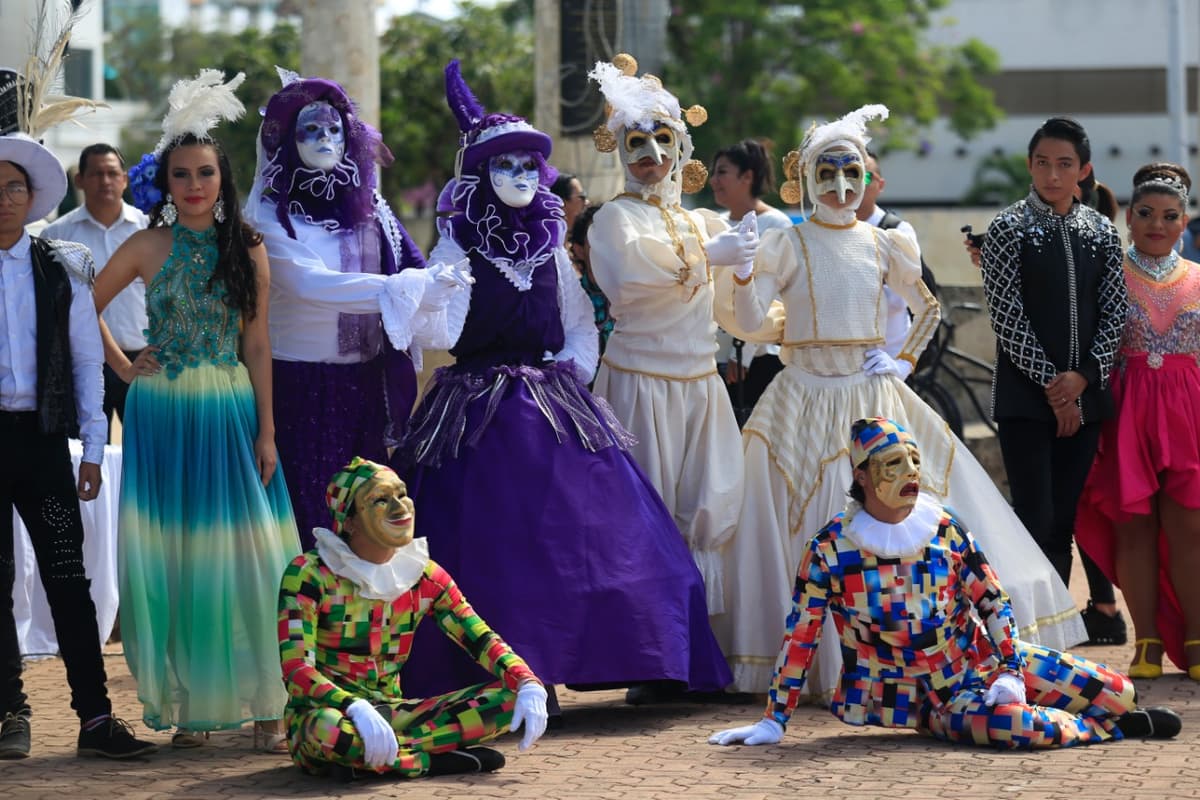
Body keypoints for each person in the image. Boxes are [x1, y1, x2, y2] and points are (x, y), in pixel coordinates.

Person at [711, 104, 1085, 697]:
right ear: (806, 178)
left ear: (866, 176)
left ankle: (896, 653)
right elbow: (752, 322)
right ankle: (807, 660)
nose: (840, 185)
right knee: (791, 518)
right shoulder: (788, 243)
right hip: (801, 395)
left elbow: (927, 308)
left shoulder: (885, 242)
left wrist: (903, 360)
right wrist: (740, 273)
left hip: (872, 394)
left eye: (851, 172)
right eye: (827, 173)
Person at [391, 60, 731, 709]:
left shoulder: (549, 246)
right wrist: (435, 293)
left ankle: (651, 656)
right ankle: (513, 675)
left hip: (552, 404)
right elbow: (441, 331)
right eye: (505, 166)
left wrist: (564, 378)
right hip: (477, 413)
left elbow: (578, 323)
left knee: (612, 539)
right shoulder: (458, 247)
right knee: (497, 546)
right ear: (481, 176)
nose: (520, 177)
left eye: (529, 166)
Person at [709, 418, 1181, 750]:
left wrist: (1011, 670)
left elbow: (993, 601)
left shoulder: (944, 528)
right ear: (861, 476)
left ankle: (1105, 712)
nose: (911, 474)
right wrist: (775, 718)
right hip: (928, 699)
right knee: (1016, 728)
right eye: (893, 463)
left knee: (1118, 692)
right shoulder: (831, 549)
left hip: (984, 663)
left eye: (914, 461)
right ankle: (1115, 729)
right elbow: (802, 635)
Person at [93, 70, 301, 750]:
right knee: (176, 559)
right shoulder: (145, 245)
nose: (193, 184)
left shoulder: (248, 246)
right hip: (161, 414)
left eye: (205, 172)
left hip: (230, 411)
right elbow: (79, 306)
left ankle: (269, 706)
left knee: (254, 554)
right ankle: (195, 707)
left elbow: (258, 342)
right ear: (166, 180)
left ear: (223, 177)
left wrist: (268, 431)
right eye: (180, 174)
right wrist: (125, 366)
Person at [243, 70, 469, 548]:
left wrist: (439, 282)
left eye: (334, 128)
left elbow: (410, 264)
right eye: (310, 129)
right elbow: (307, 283)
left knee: (369, 519)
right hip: (298, 387)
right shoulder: (267, 212)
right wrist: (406, 288)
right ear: (285, 140)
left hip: (365, 386)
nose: (325, 138)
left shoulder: (369, 205)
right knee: (310, 518)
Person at [0, 128, 156, 760]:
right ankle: (10, 712)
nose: (3, 199)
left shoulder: (61, 264)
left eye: (13, 188)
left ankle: (95, 718)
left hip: (42, 441)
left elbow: (88, 360)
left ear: (31, 195)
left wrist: (93, 447)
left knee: (69, 578)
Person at [587, 55, 756, 615]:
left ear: (681, 147)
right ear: (620, 148)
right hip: (641, 386)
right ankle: (646, 637)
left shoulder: (700, 221)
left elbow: (732, 312)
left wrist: (749, 277)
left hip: (701, 386)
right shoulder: (613, 219)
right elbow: (630, 276)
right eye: (638, 142)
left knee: (706, 510)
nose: (653, 155)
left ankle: (696, 638)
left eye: (663, 140)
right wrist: (710, 256)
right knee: (642, 510)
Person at [278, 457, 548, 779]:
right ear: (349, 522)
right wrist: (352, 706)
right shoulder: (310, 574)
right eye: (380, 500)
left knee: (512, 699)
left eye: (402, 494)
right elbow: (297, 669)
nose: (400, 508)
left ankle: (378, 760)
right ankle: (432, 761)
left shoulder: (424, 575)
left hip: (397, 714)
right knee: (329, 731)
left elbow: (478, 637)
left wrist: (526, 679)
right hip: (328, 715)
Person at [978, 117, 1130, 647]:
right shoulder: (1006, 229)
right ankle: (1021, 635)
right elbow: (1006, 317)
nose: (1052, 174)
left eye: (1065, 164)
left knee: (1064, 519)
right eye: (1042, 163)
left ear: (1084, 170)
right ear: (1029, 165)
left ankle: (1055, 639)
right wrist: (1054, 386)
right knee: (1033, 517)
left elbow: (1115, 312)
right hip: (1025, 400)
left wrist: (1083, 379)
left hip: (1087, 398)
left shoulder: (1101, 231)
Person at [1076, 162, 1200, 680]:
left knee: (1189, 528)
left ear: (1184, 222)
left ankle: (1196, 639)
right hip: (1125, 411)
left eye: (1169, 216)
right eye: (1146, 213)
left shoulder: (1198, 277)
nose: (1157, 224)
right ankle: (1146, 640)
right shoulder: (1107, 275)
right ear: (1128, 217)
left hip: (1188, 414)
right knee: (1134, 528)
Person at [43, 144, 149, 439]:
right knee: (86, 451)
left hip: (142, 361)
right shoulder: (57, 236)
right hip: (84, 365)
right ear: (79, 180)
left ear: (125, 179)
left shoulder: (148, 230)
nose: (105, 181)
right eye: (96, 174)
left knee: (145, 451)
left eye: (112, 173)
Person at [709, 138, 791, 415]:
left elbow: (774, 294)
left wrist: (743, 350)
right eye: (714, 173)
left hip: (758, 358)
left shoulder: (776, 224)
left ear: (747, 177)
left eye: (722, 172)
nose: (713, 180)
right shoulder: (716, 222)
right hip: (715, 353)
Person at [568, 203, 612, 361]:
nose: (608, 246)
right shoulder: (571, 300)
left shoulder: (634, 296)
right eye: (597, 238)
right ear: (579, 250)